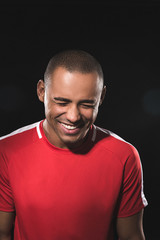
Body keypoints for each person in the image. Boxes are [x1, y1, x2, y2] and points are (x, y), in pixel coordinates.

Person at [0, 49, 148, 240]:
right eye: (62, 102)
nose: (73, 116)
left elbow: (132, 236)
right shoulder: (6, 151)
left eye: (86, 104)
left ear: (101, 98)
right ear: (41, 91)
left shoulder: (124, 156)